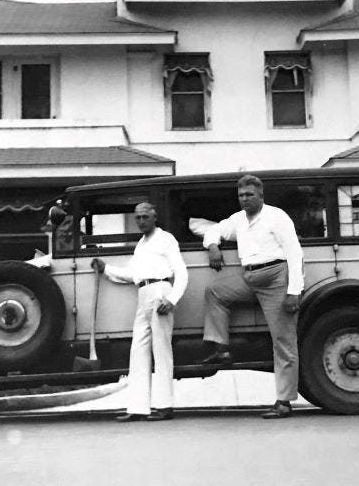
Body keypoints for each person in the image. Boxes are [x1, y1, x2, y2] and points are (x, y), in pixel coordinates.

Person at [200, 174, 304, 419]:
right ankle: (221, 348)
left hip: (277, 277)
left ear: (261, 196)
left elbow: (294, 252)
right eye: (241, 196)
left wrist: (293, 291)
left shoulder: (276, 216)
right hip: (250, 277)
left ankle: (284, 402)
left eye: (249, 195)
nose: (244, 199)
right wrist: (213, 246)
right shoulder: (238, 219)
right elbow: (213, 229)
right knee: (215, 291)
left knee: (283, 341)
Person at [91, 202, 188, 422]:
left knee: (161, 350)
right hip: (143, 294)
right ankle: (138, 407)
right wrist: (105, 269)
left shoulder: (166, 239)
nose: (141, 221)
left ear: (155, 217)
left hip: (160, 290)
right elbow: (131, 274)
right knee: (138, 350)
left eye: (145, 217)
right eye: (138, 218)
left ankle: (164, 406)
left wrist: (171, 300)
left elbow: (182, 273)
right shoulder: (141, 245)